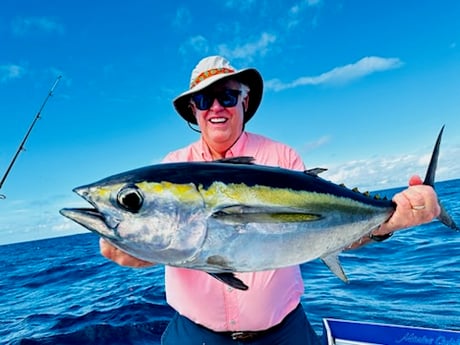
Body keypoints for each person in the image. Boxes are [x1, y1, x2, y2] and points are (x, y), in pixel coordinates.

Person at [100, 56, 441, 344]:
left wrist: (388, 223)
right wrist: (135, 247)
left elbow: (323, 231)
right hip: (193, 334)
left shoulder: (280, 157)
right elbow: (167, 240)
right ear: (194, 110)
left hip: (284, 332)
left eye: (227, 96)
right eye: (204, 100)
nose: (216, 107)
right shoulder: (170, 168)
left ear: (244, 101)